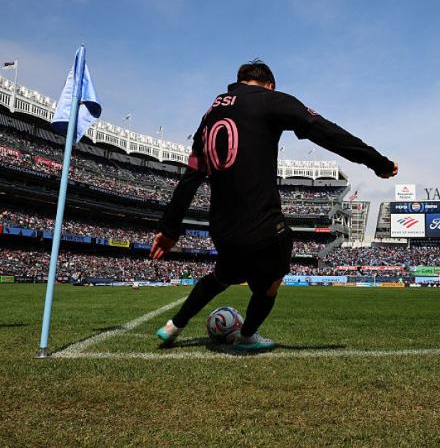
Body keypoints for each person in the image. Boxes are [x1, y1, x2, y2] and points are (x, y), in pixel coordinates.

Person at [151, 60, 398, 351]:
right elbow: (322, 129)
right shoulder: (271, 100)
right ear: (270, 84)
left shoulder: (209, 115)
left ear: (239, 82)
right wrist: (376, 161)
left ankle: (173, 326)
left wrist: (169, 229)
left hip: (222, 227)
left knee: (223, 275)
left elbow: (192, 175)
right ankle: (247, 336)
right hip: (261, 223)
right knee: (271, 280)